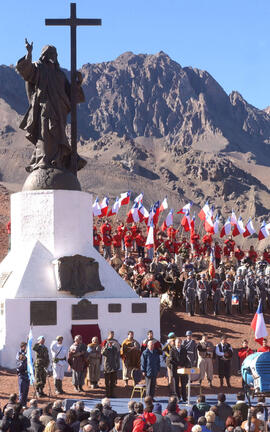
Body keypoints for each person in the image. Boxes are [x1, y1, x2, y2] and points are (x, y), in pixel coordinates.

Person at [16, 40, 85, 174]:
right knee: (45, 133)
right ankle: (43, 160)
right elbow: (27, 71)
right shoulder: (39, 68)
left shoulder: (60, 74)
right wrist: (29, 53)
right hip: (45, 108)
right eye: (50, 53)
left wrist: (77, 84)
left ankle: (58, 161)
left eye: (54, 54)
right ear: (44, 55)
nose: (53, 56)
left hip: (60, 111)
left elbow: (69, 93)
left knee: (58, 135)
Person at [169, 337, 190, 402]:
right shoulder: (172, 350)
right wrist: (177, 366)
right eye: (177, 342)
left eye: (179, 342)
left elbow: (186, 359)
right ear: (175, 343)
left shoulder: (184, 349)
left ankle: (184, 398)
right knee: (176, 384)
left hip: (183, 369)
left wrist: (184, 366)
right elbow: (171, 360)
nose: (178, 344)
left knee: (183, 384)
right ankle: (178, 397)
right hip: (175, 369)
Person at [16, 341, 30, 407]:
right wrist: (23, 356)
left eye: (26, 346)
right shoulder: (19, 353)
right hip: (21, 374)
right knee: (22, 391)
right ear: (22, 347)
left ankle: (24, 404)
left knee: (26, 390)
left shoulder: (27, 353)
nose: (26, 347)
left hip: (27, 374)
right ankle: (21, 405)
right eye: (24, 346)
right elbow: (19, 360)